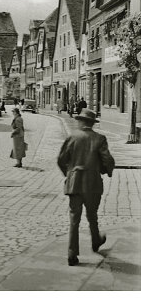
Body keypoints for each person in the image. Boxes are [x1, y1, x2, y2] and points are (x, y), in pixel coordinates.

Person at [57, 108, 115, 266]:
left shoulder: (72, 137)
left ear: (81, 121)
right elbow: (107, 159)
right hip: (92, 182)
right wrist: (105, 171)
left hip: (74, 182)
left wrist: (69, 174)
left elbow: (61, 160)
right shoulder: (99, 138)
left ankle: (72, 254)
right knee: (92, 215)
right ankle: (96, 241)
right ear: (92, 123)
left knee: (74, 219)